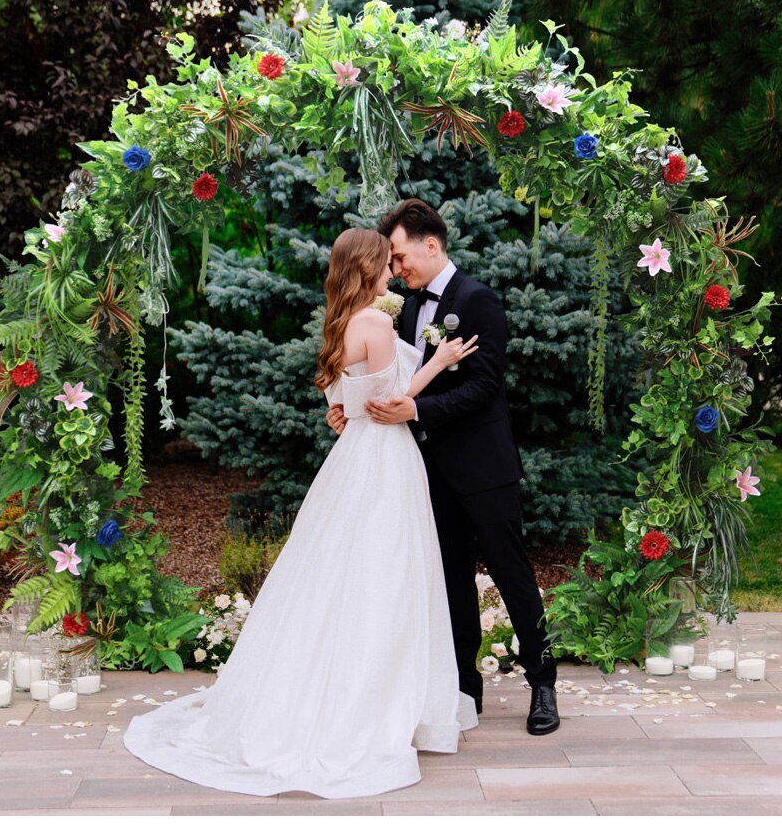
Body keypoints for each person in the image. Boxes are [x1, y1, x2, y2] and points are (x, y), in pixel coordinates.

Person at [123, 227, 480, 798]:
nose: (393, 270)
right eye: (385, 263)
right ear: (366, 269)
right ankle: (373, 703)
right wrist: (438, 361)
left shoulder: (341, 323)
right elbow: (392, 401)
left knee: (342, 573)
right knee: (385, 577)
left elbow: (342, 401)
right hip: (384, 461)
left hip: (353, 457)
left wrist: (348, 411)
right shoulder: (379, 323)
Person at [327, 198, 560, 735]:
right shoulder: (402, 308)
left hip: (483, 468)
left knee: (512, 574)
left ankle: (542, 683)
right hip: (424, 470)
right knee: (449, 581)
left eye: (402, 255)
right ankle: (464, 690)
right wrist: (354, 407)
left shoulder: (479, 300)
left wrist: (418, 409)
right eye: (392, 259)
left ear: (431, 245)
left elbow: (485, 386)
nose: (398, 266)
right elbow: (387, 377)